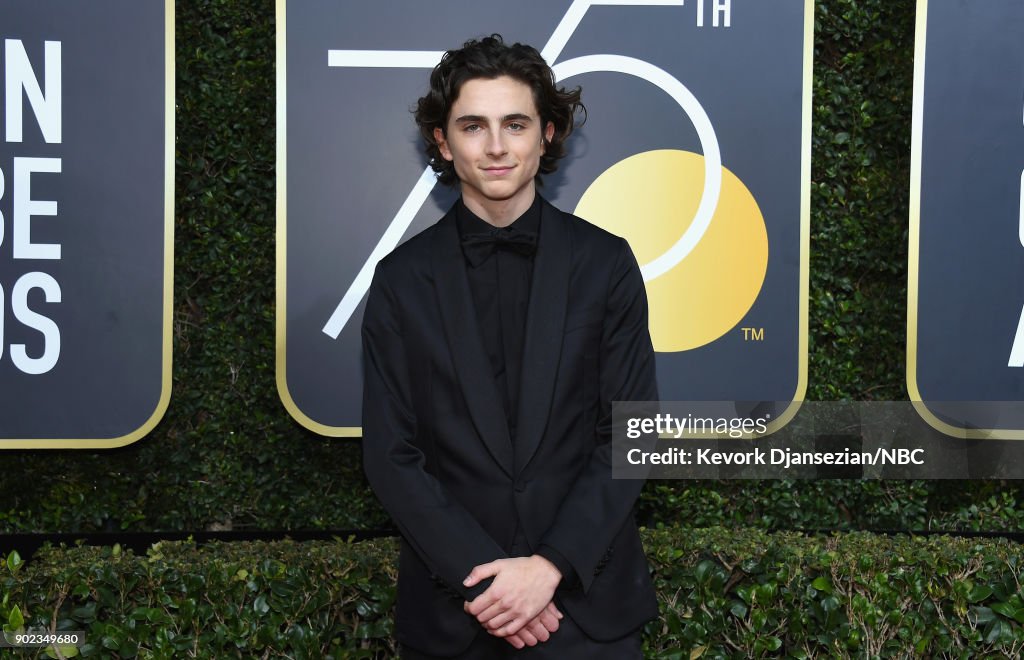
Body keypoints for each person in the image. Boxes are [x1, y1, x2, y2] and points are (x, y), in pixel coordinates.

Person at [361, 34, 658, 659]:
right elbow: (393, 455)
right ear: (442, 141)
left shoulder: (606, 264)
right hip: (457, 613)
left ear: (547, 133)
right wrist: (491, 584)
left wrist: (550, 567)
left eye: (515, 124)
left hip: (585, 611)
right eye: (473, 126)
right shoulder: (400, 280)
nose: (496, 146)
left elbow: (631, 436)